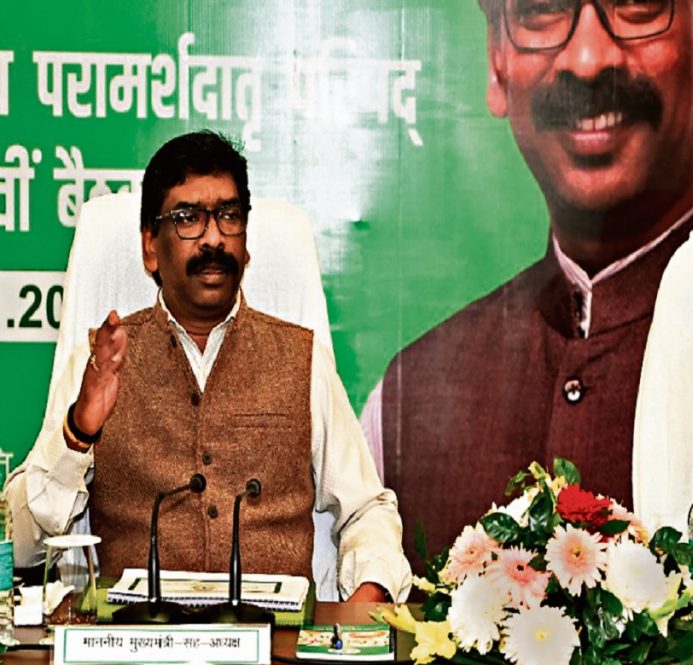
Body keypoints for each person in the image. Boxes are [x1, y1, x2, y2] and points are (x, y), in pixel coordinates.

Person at [362, 0, 693, 567]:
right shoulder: (404, 402)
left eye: (635, 5)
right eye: (542, 8)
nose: (587, 59)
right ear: (496, 61)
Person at [5, 131, 410, 602]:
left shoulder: (304, 360)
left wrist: (367, 596)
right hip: (136, 641)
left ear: (246, 241)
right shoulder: (98, 364)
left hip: (275, 641)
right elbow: (22, 546)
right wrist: (78, 432)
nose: (214, 237)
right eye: (188, 218)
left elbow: (367, 510)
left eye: (229, 216)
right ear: (150, 247)